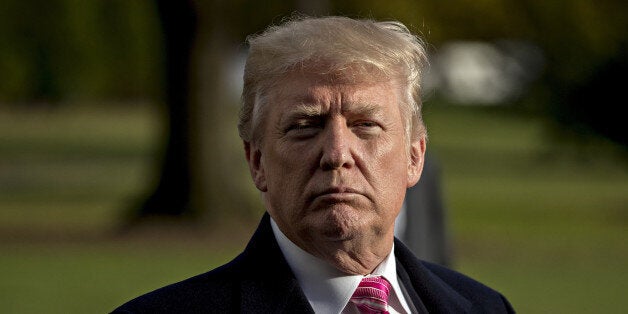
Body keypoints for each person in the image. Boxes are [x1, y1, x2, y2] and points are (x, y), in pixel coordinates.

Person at [112, 15, 514, 313]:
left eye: (366, 125)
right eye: (305, 126)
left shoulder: (486, 307)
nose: (337, 154)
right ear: (257, 161)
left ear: (415, 156)